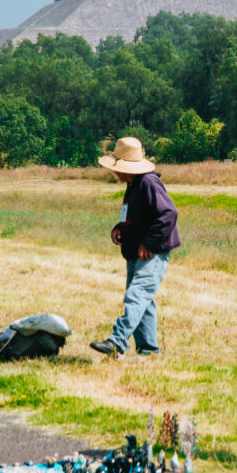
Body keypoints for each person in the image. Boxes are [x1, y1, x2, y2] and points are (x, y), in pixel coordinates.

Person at [90, 137, 181, 357]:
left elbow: (169, 214)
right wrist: (120, 228)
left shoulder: (148, 182)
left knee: (137, 295)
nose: (114, 172)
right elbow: (136, 216)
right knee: (143, 300)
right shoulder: (133, 184)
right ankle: (148, 350)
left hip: (153, 252)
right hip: (137, 250)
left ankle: (117, 341)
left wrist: (148, 242)